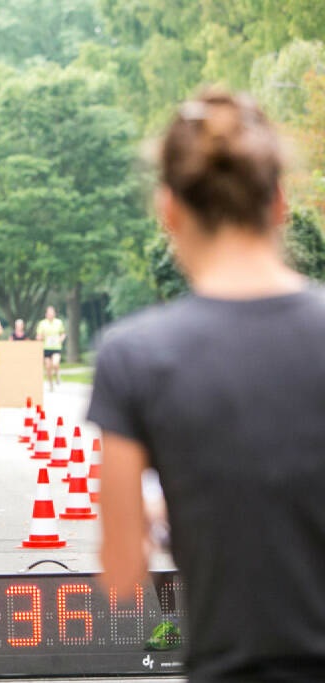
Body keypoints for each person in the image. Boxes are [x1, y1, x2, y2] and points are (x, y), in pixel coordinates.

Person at [89, 90, 325, 681]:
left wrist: (170, 510)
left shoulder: (134, 357)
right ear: (279, 201)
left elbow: (121, 576)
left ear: (168, 209)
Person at [35, 306, 65, 389]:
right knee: (48, 367)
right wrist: (42, 337)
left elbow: (63, 333)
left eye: (52, 313)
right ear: (46, 314)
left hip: (56, 347)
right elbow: (37, 337)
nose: (51, 315)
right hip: (46, 348)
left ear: (54, 314)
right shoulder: (42, 323)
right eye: (49, 314)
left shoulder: (59, 322)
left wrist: (61, 338)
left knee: (55, 363)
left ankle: (57, 375)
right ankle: (51, 384)